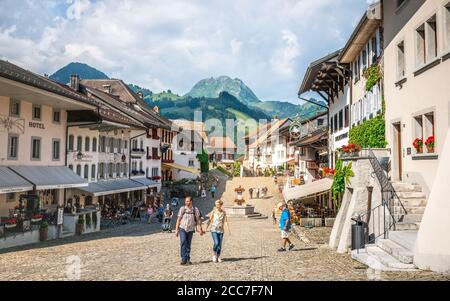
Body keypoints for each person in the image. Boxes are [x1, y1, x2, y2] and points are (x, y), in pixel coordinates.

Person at [175, 197, 204, 265]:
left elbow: (198, 220)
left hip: (191, 229)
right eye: (186, 201)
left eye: (188, 201)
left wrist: (200, 229)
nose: (186, 202)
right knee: (183, 242)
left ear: (191, 201)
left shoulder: (195, 209)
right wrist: (176, 230)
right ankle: (183, 259)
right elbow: (178, 219)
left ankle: (188, 258)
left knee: (188, 244)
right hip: (182, 228)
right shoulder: (182, 209)